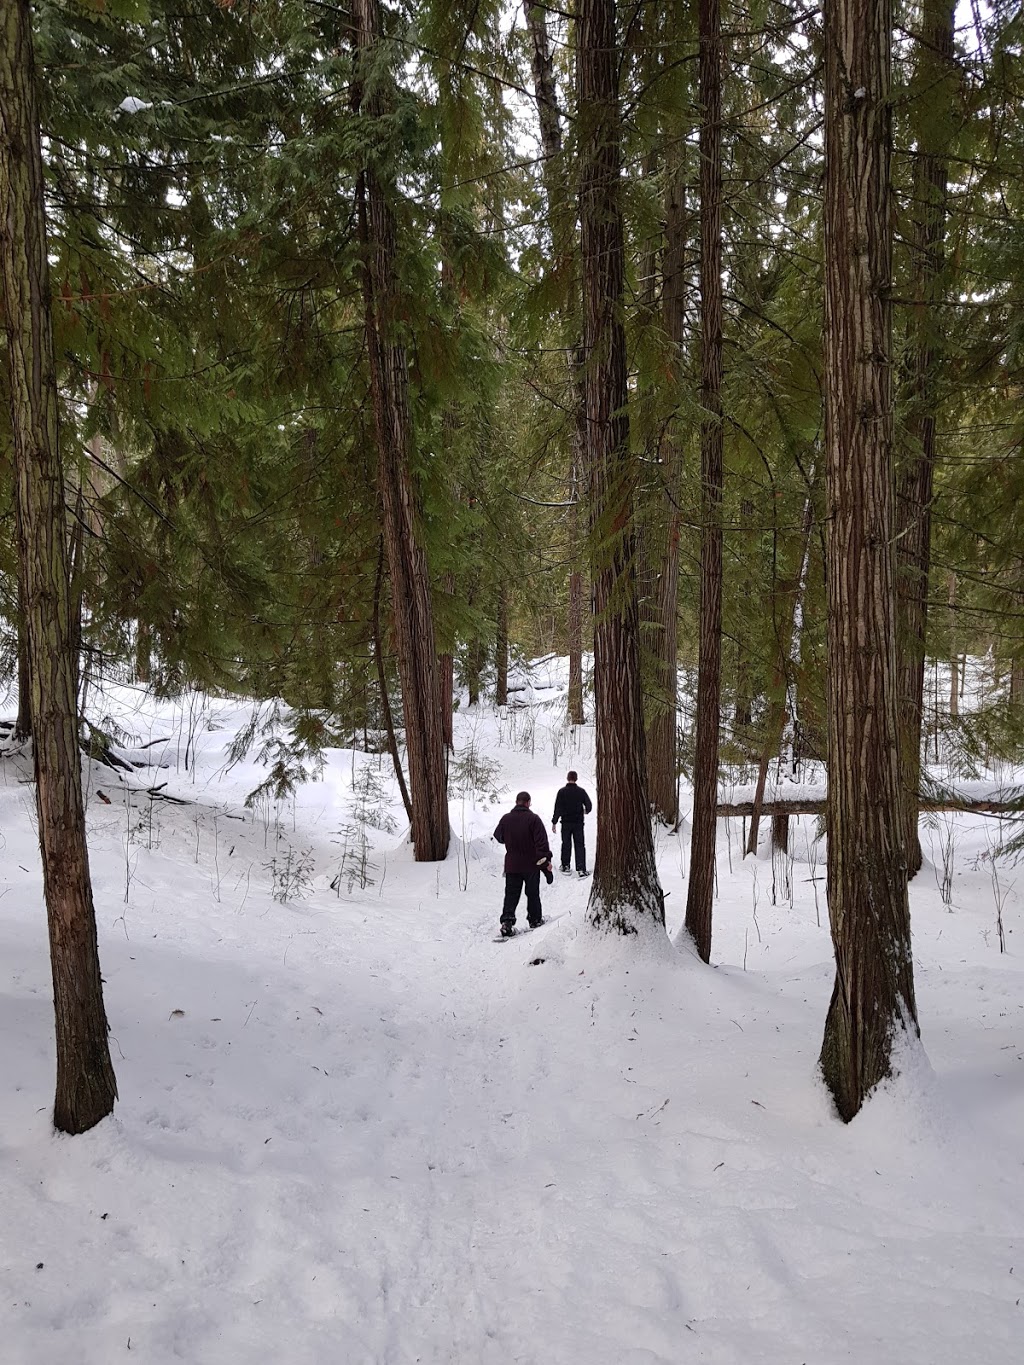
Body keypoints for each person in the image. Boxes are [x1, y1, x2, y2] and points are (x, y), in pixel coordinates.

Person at [493, 791, 553, 937]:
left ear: (516, 802)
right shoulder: (533, 819)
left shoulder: (506, 819)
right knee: (532, 893)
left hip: (512, 864)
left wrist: (509, 839)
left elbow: (498, 836)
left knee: (511, 894)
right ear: (528, 802)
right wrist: (546, 861)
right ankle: (535, 920)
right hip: (531, 864)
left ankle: (507, 922)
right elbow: (542, 843)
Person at [552, 770, 592, 877]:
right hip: (578, 823)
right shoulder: (581, 791)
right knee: (579, 845)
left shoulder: (561, 792)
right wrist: (585, 811)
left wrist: (554, 822)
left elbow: (558, 808)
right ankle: (581, 868)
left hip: (566, 823)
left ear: (567, 778)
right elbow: (589, 805)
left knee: (566, 844)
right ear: (576, 779)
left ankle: (565, 865)